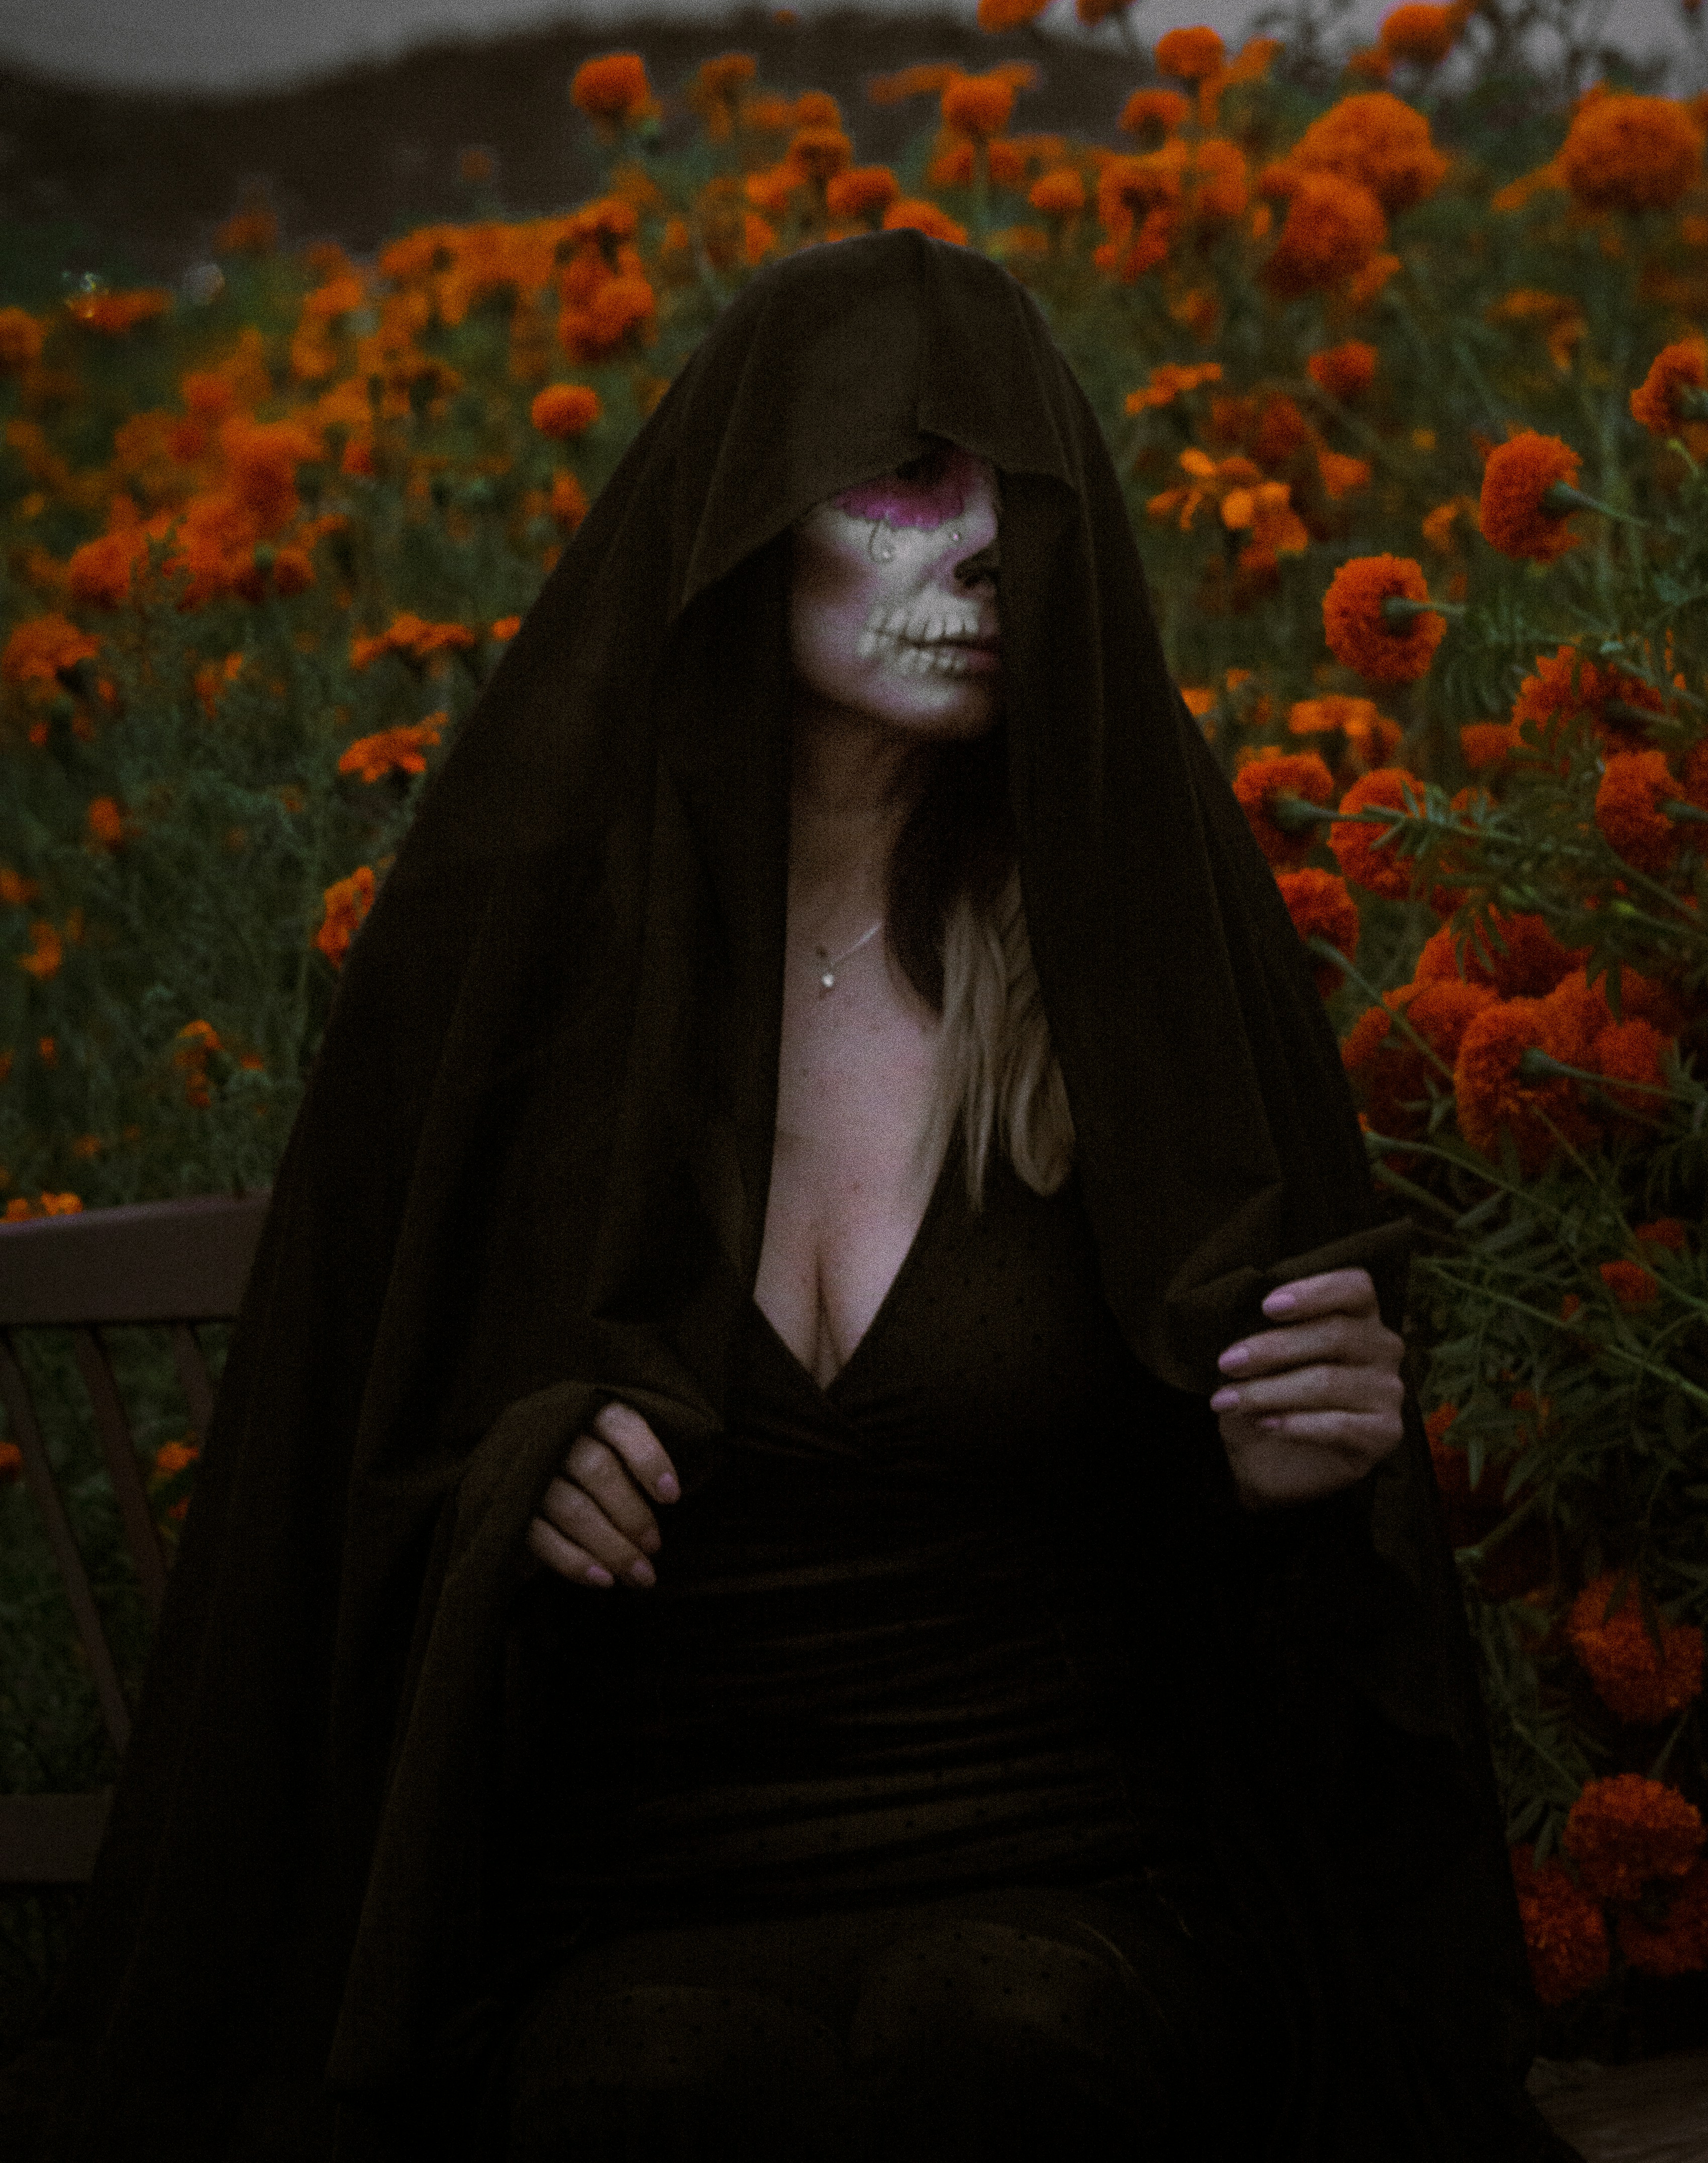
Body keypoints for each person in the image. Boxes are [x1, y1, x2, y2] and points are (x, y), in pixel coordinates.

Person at [39, 231, 1579, 2162]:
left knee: (996, 2035)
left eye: (1013, 494)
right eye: (902, 481)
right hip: (638, 1894)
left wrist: (1294, 1470)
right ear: (747, 521)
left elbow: (1304, 1642)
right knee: (652, 2085)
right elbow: (334, 1494)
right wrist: (514, 1481)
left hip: (1074, 1879)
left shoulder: (1118, 960)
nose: (980, 548)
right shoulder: (544, 964)